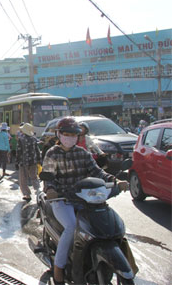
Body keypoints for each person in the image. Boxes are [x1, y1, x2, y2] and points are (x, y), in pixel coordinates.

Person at [42, 117, 129, 284]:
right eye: (66, 134)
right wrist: (51, 189)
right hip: (62, 199)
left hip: (84, 199)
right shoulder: (52, 153)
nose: (70, 137)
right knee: (71, 227)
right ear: (59, 135)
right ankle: (59, 269)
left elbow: (98, 172)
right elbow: (49, 177)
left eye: (73, 134)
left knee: (105, 223)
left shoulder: (83, 153)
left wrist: (115, 181)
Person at [16, 123, 41, 201]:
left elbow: (19, 151)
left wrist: (17, 162)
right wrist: (39, 160)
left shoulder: (21, 139)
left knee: (23, 179)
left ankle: (27, 195)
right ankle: (38, 191)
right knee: (34, 177)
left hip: (24, 162)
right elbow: (37, 150)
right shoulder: (33, 138)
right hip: (33, 161)